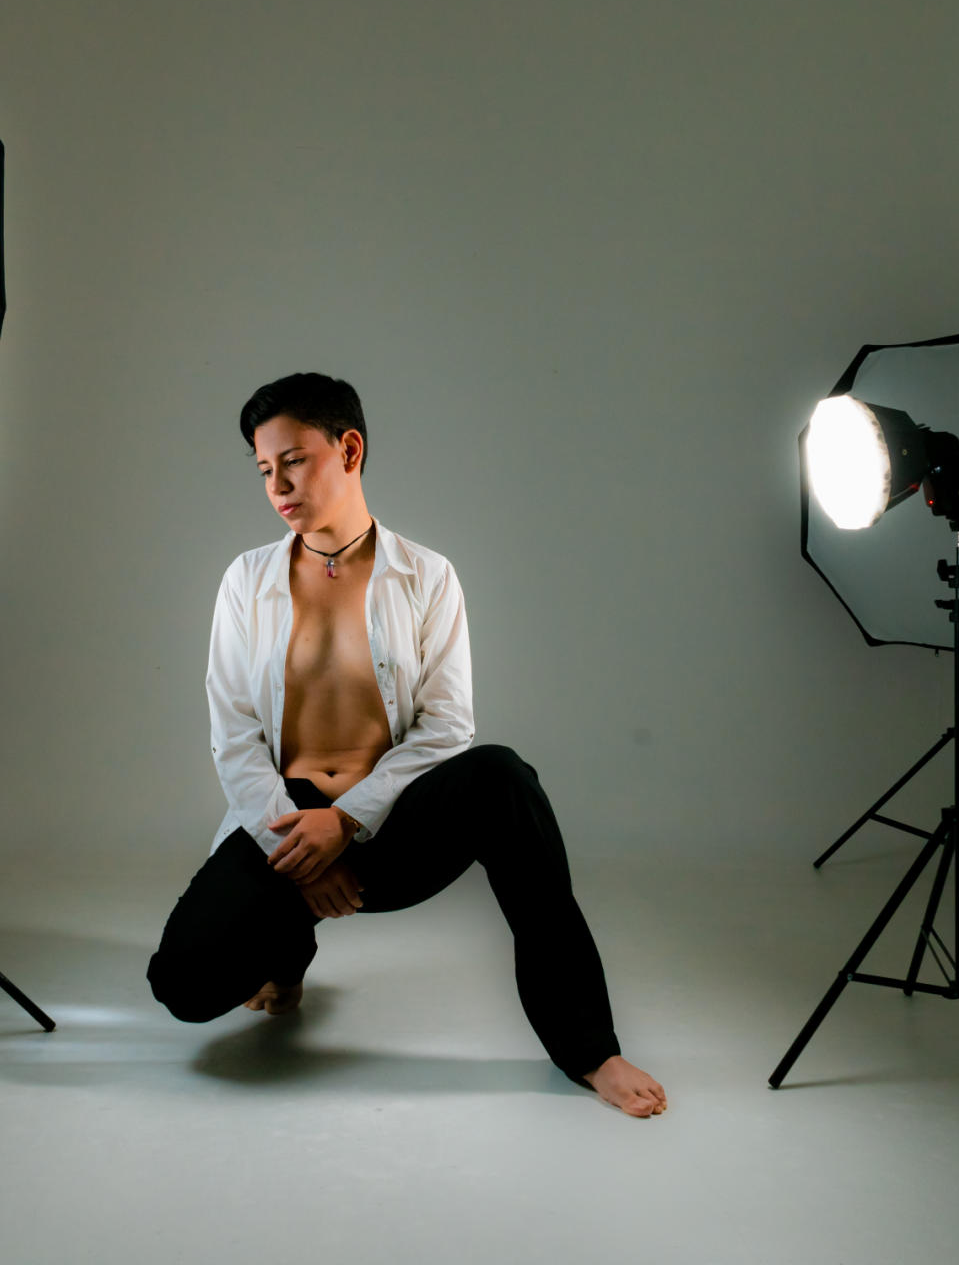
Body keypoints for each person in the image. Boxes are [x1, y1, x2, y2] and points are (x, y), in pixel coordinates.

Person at [146, 372, 667, 1118]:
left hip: (389, 828)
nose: (277, 486)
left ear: (349, 449)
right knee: (183, 986)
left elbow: (448, 725)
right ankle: (289, 949)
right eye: (263, 470)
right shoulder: (246, 581)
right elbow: (232, 732)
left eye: (293, 461)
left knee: (503, 778)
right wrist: (299, 846)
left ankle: (590, 1048)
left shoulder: (427, 576)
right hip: (283, 826)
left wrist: (347, 820)